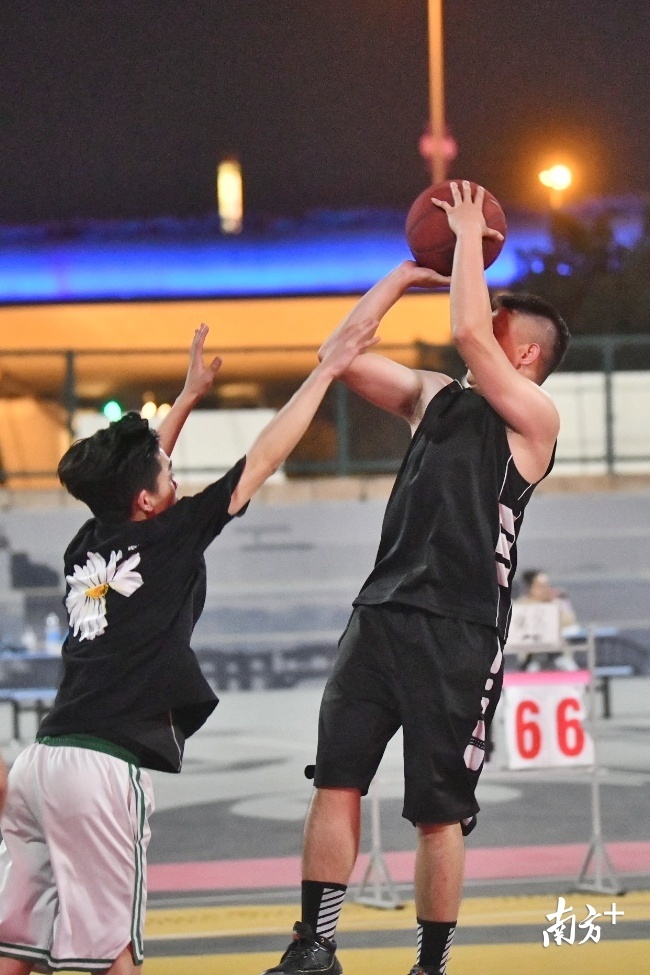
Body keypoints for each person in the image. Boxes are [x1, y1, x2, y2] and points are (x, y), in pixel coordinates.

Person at [0, 316, 379, 975]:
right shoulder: (170, 537)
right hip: (98, 769)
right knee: (112, 950)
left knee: (17, 943)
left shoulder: (87, 542)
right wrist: (327, 370)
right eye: (168, 472)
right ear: (148, 500)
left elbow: (136, 480)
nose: (174, 475)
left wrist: (187, 397)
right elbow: (263, 459)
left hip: (39, 765)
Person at [262, 181, 570, 975]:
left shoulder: (535, 420)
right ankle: (316, 944)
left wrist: (466, 235)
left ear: (525, 355)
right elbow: (337, 356)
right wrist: (400, 278)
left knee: (437, 813)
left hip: (458, 630)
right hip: (382, 610)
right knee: (336, 779)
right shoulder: (436, 397)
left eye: (500, 323)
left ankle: (430, 965)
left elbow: (468, 328)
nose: (480, 318)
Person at [516, 568, 579, 671]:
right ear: (530, 588)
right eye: (541, 586)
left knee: (571, 669)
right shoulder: (521, 605)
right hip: (531, 656)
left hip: (558, 654)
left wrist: (561, 604)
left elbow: (570, 622)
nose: (546, 589)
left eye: (547, 585)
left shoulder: (556, 603)